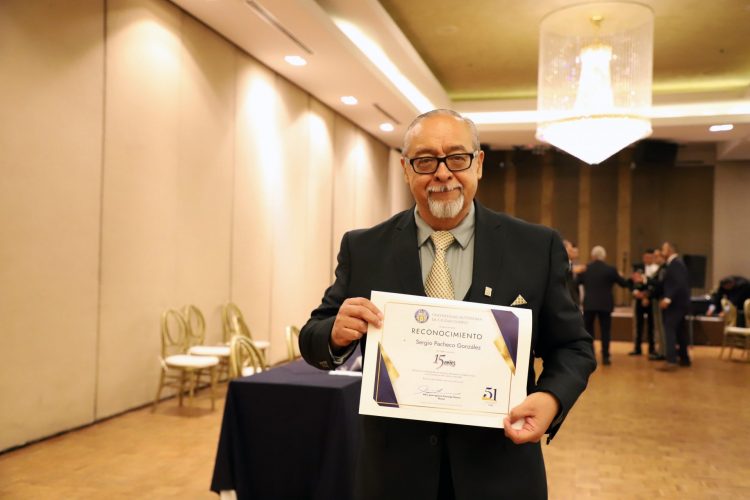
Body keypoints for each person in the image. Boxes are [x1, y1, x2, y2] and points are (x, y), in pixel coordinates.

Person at [299, 109, 596, 500]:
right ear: (406, 169)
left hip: (500, 473)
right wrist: (335, 335)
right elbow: (313, 337)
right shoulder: (364, 247)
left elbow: (573, 347)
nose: (442, 173)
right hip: (394, 478)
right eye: (425, 161)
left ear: (479, 164)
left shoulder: (536, 247)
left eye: (457, 158)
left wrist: (550, 398)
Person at [576, 245, 631, 366]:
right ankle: (606, 356)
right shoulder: (611, 270)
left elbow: (576, 283)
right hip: (605, 305)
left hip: (589, 304)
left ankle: (590, 355)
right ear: (604, 256)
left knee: (588, 331)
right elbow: (623, 284)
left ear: (592, 256)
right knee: (605, 331)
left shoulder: (586, 269)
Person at [657, 241, 691, 371]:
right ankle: (684, 358)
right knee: (680, 331)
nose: (662, 251)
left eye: (663, 249)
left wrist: (667, 299)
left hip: (675, 304)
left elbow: (678, 283)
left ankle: (671, 361)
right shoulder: (675, 263)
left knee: (669, 330)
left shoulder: (675, 264)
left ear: (670, 250)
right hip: (680, 304)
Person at [630, 249, 658, 356]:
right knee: (638, 325)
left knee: (652, 325)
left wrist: (647, 296)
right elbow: (632, 282)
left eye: (649, 257)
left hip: (652, 300)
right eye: (645, 257)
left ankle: (652, 348)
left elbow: (656, 284)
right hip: (639, 300)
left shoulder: (657, 269)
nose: (647, 259)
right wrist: (636, 292)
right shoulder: (638, 268)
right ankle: (637, 348)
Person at [563, 239, 584, 307]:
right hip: (565, 298)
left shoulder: (573, 265)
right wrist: (572, 269)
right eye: (570, 250)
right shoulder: (562, 264)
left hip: (574, 299)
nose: (572, 251)